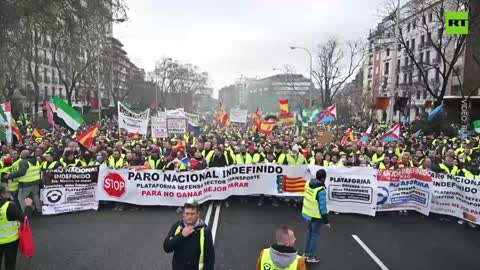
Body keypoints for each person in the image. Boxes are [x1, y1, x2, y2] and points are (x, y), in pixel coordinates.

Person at [164, 200, 215, 270]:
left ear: (198, 214)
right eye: (187, 213)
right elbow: (167, 248)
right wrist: (181, 235)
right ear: (183, 214)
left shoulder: (205, 230)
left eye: (192, 213)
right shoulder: (177, 226)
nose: (189, 216)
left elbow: (209, 257)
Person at [0, 183, 33, 270]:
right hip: (10, 241)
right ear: (2, 194)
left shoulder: (9, 204)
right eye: (8, 191)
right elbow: (25, 219)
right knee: (10, 263)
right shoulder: (9, 206)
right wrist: (28, 206)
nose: (10, 192)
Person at [302, 169, 331, 263]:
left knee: (309, 233)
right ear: (323, 178)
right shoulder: (321, 190)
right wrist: (326, 221)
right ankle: (311, 256)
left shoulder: (308, 183)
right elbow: (323, 207)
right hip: (316, 216)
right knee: (315, 236)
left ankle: (305, 254)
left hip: (307, 213)